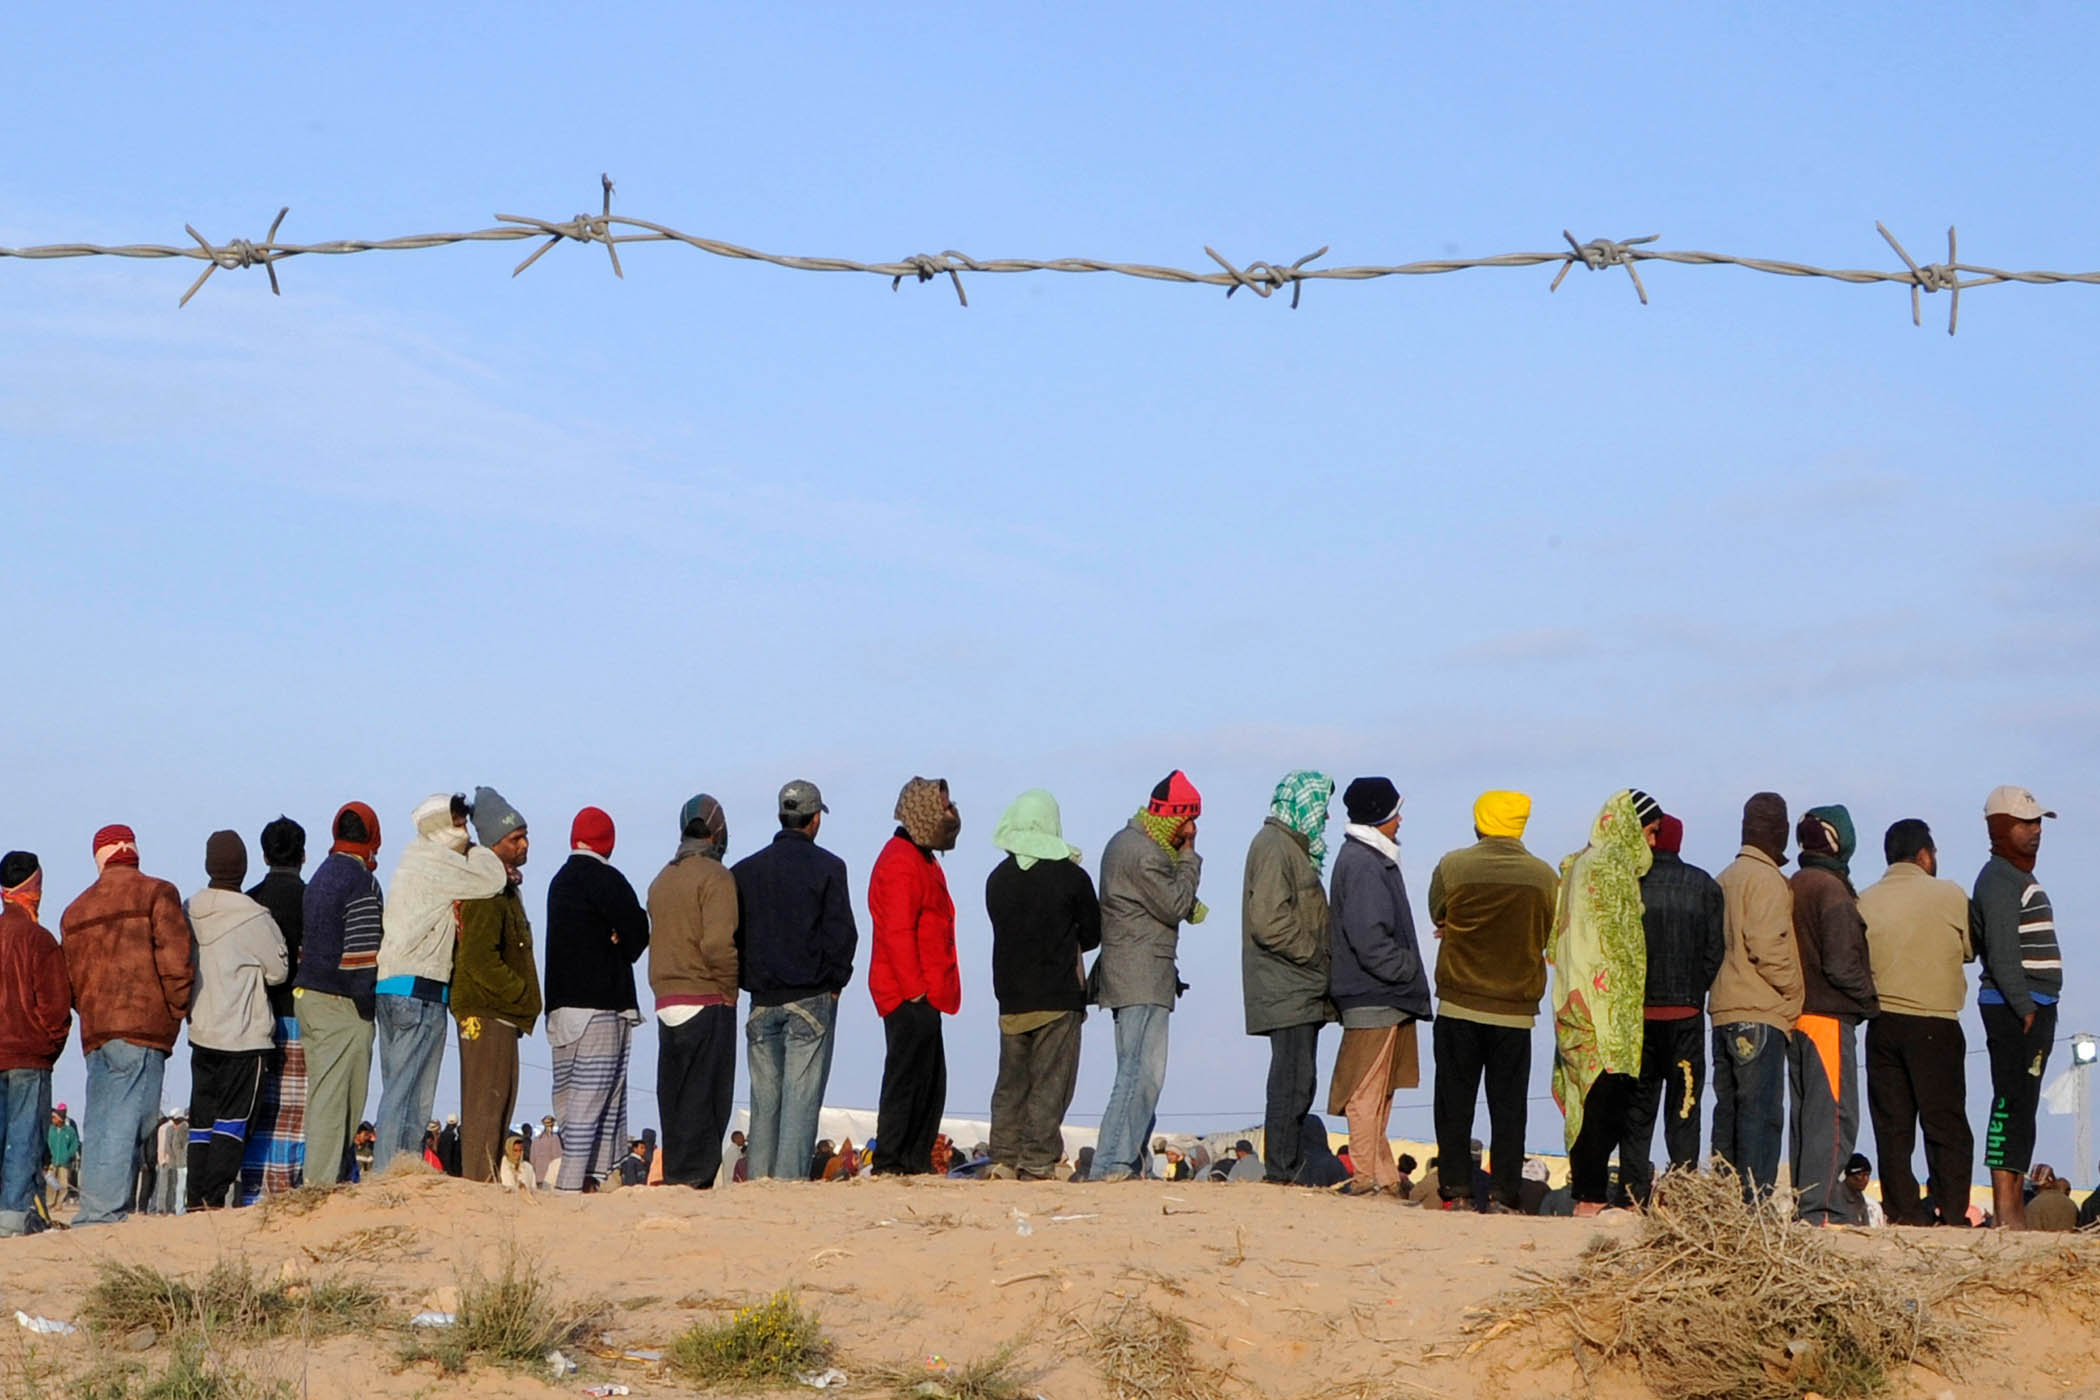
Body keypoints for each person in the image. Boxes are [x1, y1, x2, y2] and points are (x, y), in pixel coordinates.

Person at [1428, 791, 1558, 1212]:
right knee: (1509, 1107)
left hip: (1460, 1004)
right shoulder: (1543, 877)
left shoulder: (1452, 865)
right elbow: (1549, 932)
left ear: (1479, 820)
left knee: (1454, 1103)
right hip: (1514, 1012)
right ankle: (1504, 1193)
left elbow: (1438, 912)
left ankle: (1457, 1191)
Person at [60, 824, 195, 1225]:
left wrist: (90, 1010)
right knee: (130, 1123)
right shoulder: (158, 893)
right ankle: (103, 1215)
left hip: (97, 1031)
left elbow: (69, 980)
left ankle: (95, 1208)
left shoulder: (74, 911)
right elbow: (176, 961)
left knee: (101, 1120)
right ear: (133, 851)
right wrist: (175, 1009)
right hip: (143, 1026)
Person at [732, 781, 858, 1181]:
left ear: (780, 816)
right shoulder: (829, 867)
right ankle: (786, 1187)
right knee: (801, 1103)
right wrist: (837, 981)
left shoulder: (745, 871)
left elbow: (735, 934)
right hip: (811, 995)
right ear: (815, 818)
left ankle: (759, 1183)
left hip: (762, 999)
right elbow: (842, 933)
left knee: (764, 1102)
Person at [374, 795, 505, 1173]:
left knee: (401, 1090)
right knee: (408, 1096)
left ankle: (402, 1173)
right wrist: (476, 847)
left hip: (395, 987)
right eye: (460, 823)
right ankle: (389, 1176)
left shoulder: (412, 859)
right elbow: (493, 878)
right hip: (420, 989)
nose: (464, 831)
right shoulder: (437, 861)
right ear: (440, 826)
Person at [1089, 771, 1207, 1181]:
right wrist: (1190, 859)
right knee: (1140, 1072)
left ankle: (1128, 1159)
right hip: (1139, 975)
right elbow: (1175, 903)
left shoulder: (1132, 844)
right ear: (1169, 818)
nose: (1191, 831)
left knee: (1140, 1073)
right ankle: (1112, 1163)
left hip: (1138, 974)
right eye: (1187, 822)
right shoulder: (1143, 853)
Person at [1857, 818, 1975, 1226]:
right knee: (1945, 1122)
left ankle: (1904, 1211)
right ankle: (1951, 1209)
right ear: (1925, 855)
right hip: (1936, 1022)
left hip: (1883, 1023)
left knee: (1893, 1127)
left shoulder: (1865, 899)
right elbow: (1968, 950)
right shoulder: (1950, 895)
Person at [1550, 791, 1658, 1216]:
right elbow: (1623, 944)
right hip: (1603, 1005)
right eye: (1649, 832)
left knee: (1585, 1099)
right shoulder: (1611, 867)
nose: (1650, 844)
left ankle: (1587, 1194)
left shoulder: (1576, 863)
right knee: (1603, 1100)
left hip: (1573, 999)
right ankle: (1590, 1198)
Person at [985, 790, 1101, 1182]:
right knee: (1051, 1083)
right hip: (1058, 995)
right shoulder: (1072, 876)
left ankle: (1002, 1156)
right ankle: (1036, 1160)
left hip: (1011, 997)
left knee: (1011, 1082)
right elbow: (1094, 933)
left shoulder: (996, 880)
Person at [1325, 778, 1431, 1198]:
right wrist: (1406, 968)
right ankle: (1366, 1178)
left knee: (1380, 1094)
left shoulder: (1366, 858)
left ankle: (1384, 1179)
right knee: (1365, 1093)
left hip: (1384, 996)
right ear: (1380, 816)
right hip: (1376, 996)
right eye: (1395, 811)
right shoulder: (1365, 863)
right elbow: (1370, 939)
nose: (1401, 819)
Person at [1619, 813, 1724, 1205]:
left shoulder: (1631, 885)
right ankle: (1681, 1194)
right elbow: (1715, 951)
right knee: (1685, 1110)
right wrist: (1695, 991)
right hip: (1686, 1017)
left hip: (1640, 1018)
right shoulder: (1705, 886)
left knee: (1637, 1112)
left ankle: (1631, 1195)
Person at [545, 806, 651, 1191]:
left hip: (560, 1011)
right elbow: (639, 932)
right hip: (601, 1008)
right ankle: (576, 1186)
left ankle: (576, 1184)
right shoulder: (606, 879)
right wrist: (618, 939)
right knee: (596, 1104)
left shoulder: (558, 882)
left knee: (569, 1103)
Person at [183, 831, 289, 1210]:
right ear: (243, 868)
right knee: (234, 1122)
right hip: (245, 1037)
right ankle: (213, 1197)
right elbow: (277, 972)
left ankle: (194, 1198)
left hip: (202, 1031)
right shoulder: (254, 916)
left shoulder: (188, 908)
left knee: (201, 1123)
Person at [1972, 786, 2061, 1230]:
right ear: (2002, 827)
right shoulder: (1999, 878)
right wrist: (2024, 1006)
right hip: (2015, 1006)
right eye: (2026, 823)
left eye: (2039, 822)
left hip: (2034, 1004)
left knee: (2023, 1106)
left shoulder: (2016, 877)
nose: (2036, 831)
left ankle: (2013, 1206)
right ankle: (2006, 1209)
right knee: (2009, 1103)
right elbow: (2002, 954)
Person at [1242, 771, 1337, 1186]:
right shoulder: (1275, 847)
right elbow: (1268, 921)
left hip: (1298, 987)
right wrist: (1315, 955)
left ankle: (1288, 1168)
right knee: (1291, 1083)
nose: (1327, 816)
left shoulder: (1289, 848)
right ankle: (1280, 1171)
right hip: (1288, 985)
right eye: (1322, 805)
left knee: (1301, 1082)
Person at [1787, 805, 1878, 1226]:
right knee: (1835, 1118)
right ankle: (1820, 1208)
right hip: (1828, 1016)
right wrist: (1870, 1001)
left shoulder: (1794, 884)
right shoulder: (1832, 891)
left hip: (1796, 1017)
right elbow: (1842, 965)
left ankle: (1806, 1203)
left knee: (1806, 1118)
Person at [869, 778, 963, 1175]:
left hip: (927, 990)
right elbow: (897, 932)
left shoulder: (921, 857)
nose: (951, 813)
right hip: (909, 992)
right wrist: (914, 992)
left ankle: (912, 1160)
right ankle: (892, 1161)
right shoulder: (901, 861)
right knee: (907, 1081)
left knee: (930, 1083)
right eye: (943, 806)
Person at [1711, 793, 1802, 1201]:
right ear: (1778, 831)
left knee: (1727, 1112)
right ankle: (1753, 1205)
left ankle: (1722, 1199)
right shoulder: (1766, 880)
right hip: (1761, 1011)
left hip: (1723, 1010)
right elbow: (1766, 945)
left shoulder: (1725, 877)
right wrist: (1794, 991)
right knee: (1760, 1115)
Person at [650, 795, 740, 1189]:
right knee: (707, 1100)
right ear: (716, 830)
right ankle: (696, 1181)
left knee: (675, 1098)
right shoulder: (716, 877)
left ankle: (675, 1176)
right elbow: (718, 944)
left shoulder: (662, 879)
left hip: (666, 1000)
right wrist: (730, 988)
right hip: (706, 995)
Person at [452, 788, 541, 1184]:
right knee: (485, 1109)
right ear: (493, 843)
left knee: (498, 1107)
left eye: (524, 836)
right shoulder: (486, 890)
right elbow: (477, 958)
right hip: (487, 1012)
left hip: (499, 1012)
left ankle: (483, 1187)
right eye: (514, 839)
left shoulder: (503, 887)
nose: (524, 845)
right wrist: (519, 992)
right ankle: (477, 1191)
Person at [295, 803, 385, 1187]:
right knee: (338, 1102)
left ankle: (323, 1179)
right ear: (372, 838)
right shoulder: (360, 881)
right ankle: (320, 1186)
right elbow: (362, 957)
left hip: (309, 997)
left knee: (323, 1096)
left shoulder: (320, 875)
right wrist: (367, 1009)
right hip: (341, 1003)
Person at [0, 853, 70, 1237]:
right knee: (24, 1143)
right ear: (34, 888)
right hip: (29, 1057)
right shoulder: (39, 940)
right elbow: (56, 1010)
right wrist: (48, 1047)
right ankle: (12, 1218)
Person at [242, 816, 308, 1202]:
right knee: (298, 1115)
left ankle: (255, 1194)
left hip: (257, 1021)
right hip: (303, 1018)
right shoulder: (312, 898)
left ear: (264, 854)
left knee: (261, 1114)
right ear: (303, 854)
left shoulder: (250, 902)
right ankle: (292, 1191)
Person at [1833, 1153, 1885, 1227]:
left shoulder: (1872, 1206)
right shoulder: (1833, 1199)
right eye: (1861, 1175)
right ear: (1849, 1176)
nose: (1865, 1179)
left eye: (1868, 1175)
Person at [46, 1104, 79, 1205]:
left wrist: (68, 1155)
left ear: (60, 1119)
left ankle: (59, 1203)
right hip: (52, 1161)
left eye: (54, 1117)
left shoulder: (70, 1131)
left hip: (64, 1162)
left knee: (63, 1184)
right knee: (51, 1183)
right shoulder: (51, 1130)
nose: (53, 1119)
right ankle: (50, 1203)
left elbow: (74, 1144)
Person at [530, 1115, 558, 1180]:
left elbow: (532, 1159)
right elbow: (557, 1158)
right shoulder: (554, 1138)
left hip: (538, 1175)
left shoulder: (536, 1139)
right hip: (550, 1176)